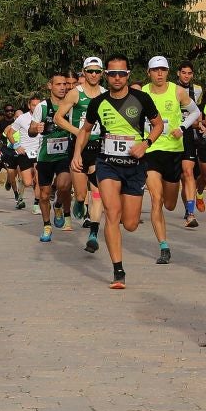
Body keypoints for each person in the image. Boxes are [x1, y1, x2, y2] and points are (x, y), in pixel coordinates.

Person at [78, 57, 159, 289]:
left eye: (121, 74)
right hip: (107, 164)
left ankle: (123, 218)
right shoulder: (98, 102)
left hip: (134, 166)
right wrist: (77, 154)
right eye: (112, 74)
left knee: (131, 223)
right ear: (106, 74)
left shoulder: (141, 99)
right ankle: (118, 271)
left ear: (128, 74)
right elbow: (85, 131)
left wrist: (146, 143)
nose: (117, 78)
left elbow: (158, 125)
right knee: (112, 213)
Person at [141, 56, 193, 263]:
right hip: (151, 150)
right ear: (149, 73)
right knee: (156, 199)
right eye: (155, 70)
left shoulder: (177, 91)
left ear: (168, 72)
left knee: (170, 203)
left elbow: (195, 112)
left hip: (173, 151)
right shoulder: (142, 92)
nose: (159, 74)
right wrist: (149, 131)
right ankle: (164, 246)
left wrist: (182, 127)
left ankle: (174, 200)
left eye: (163, 70)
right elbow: (135, 118)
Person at [60, 58, 105, 251]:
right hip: (79, 148)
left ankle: (93, 233)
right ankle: (79, 202)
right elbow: (58, 117)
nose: (94, 74)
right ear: (84, 73)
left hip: (99, 148)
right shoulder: (75, 94)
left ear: (102, 73)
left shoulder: (106, 94)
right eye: (90, 71)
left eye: (97, 71)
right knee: (80, 194)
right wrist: (77, 131)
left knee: (97, 193)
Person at [33, 76, 75, 242]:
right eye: (58, 84)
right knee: (43, 195)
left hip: (65, 154)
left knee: (64, 185)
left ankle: (58, 205)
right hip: (45, 156)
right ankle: (47, 226)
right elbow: (31, 130)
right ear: (50, 86)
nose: (62, 87)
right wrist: (36, 127)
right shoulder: (42, 107)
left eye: (65, 84)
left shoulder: (71, 105)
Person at [174, 60, 206, 225]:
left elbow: (198, 115)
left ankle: (190, 213)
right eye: (184, 72)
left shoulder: (198, 90)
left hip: (188, 135)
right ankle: (187, 206)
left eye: (189, 73)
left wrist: (199, 124)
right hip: (171, 136)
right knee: (178, 178)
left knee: (188, 173)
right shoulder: (171, 90)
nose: (186, 76)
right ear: (178, 73)